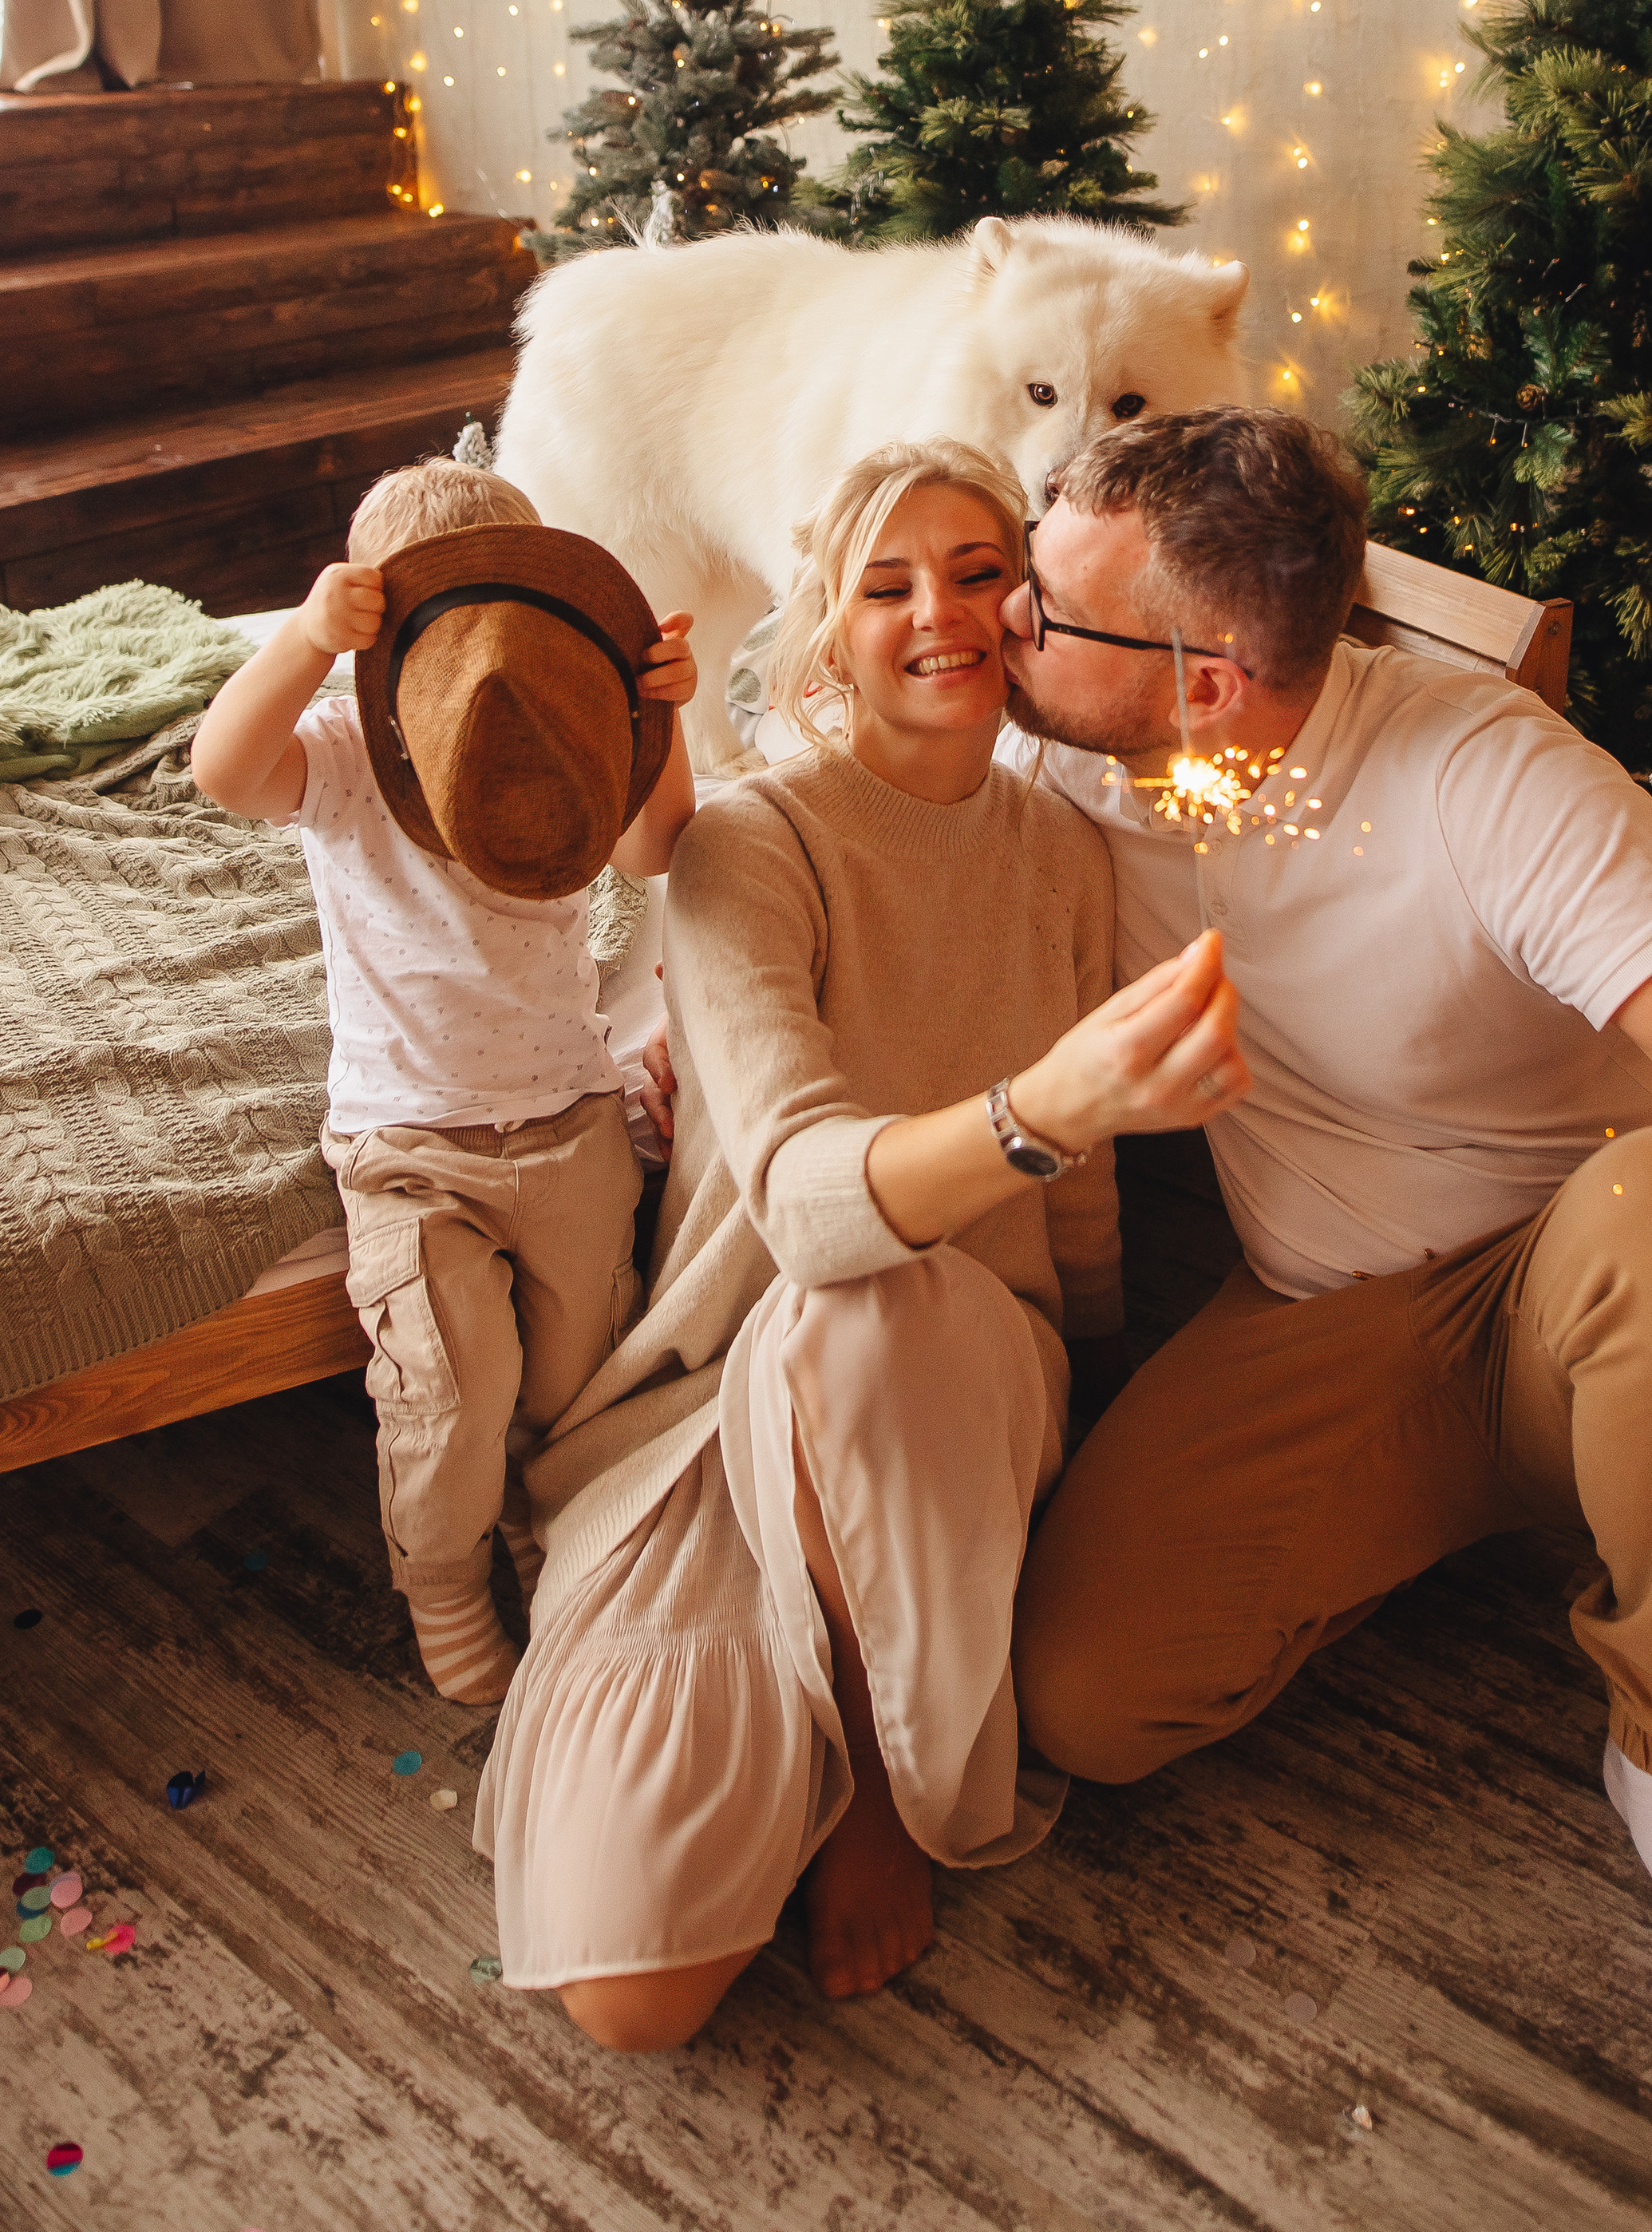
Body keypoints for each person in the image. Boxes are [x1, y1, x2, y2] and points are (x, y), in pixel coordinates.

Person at [998, 406, 1652, 2163]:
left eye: (1053, 614)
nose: (1010, 636)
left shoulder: (1471, 774)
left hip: (1594, 1285)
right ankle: (1470, 1518)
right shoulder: (1069, 762)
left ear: (1207, 682)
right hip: (1325, 1314)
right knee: (1087, 1700)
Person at [473, 438, 1250, 2052]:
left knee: (874, 1320)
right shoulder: (747, 850)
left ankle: (877, 1795)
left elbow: (1075, 1201)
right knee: (631, 2005)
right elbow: (809, 1207)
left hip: (953, 1384)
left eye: (979, 575)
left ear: (1031, 610)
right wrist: (1046, 1099)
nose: (939, 617)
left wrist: (1089, 1382)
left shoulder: (1067, 853)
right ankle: (801, 1692)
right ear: (829, 628)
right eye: (885, 585)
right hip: (714, 1410)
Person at [192, 457, 698, 1704]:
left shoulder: (561, 734)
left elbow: (660, 842)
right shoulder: (343, 749)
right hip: (409, 1143)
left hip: (574, 1121)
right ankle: (444, 1573)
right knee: (448, 1394)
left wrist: (655, 711)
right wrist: (309, 641)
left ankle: (553, 1530)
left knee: (582, 1372)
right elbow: (220, 768)